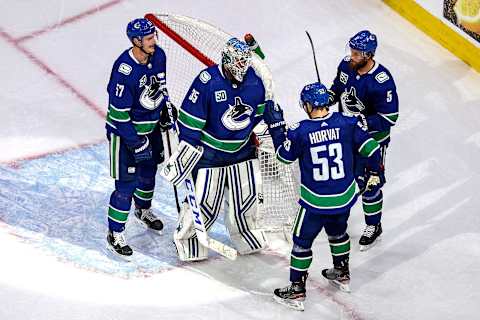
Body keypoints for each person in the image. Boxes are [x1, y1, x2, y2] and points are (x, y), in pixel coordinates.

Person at [264, 83, 382, 311]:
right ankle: (342, 272)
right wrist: (374, 172)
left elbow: (284, 158)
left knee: (301, 242)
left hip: (315, 202)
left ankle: (297, 290)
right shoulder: (348, 123)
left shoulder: (300, 130)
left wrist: (277, 127)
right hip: (344, 198)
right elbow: (371, 149)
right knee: (338, 233)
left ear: (308, 105)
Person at [163, 37, 275, 261]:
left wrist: (265, 138)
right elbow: (189, 122)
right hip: (209, 154)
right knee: (205, 201)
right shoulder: (207, 82)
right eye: (239, 63)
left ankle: (247, 234)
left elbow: (261, 116)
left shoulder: (255, 82)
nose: (243, 68)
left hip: (242, 152)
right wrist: (187, 153)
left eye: (245, 62)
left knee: (246, 197)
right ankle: (189, 240)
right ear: (227, 60)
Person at [105, 18, 175, 259]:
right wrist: (136, 142)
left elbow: (161, 88)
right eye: (148, 39)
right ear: (136, 42)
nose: (153, 41)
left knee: (149, 173)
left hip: (152, 128)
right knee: (126, 186)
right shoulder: (124, 70)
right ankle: (115, 234)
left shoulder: (159, 56)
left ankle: (143, 210)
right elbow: (117, 114)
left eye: (153, 36)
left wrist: (165, 110)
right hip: (125, 135)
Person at [327, 30, 399, 251]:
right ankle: (337, 219)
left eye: (357, 53)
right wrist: (326, 98)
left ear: (369, 55)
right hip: (346, 135)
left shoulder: (382, 81)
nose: (352, 56)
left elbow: (390, 116)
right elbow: (337, 89)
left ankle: (373, 226)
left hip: (372, 141)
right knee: (342, 178)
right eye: (352, 51)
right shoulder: (345, 65)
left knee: (370, 184)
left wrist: (364, 122)